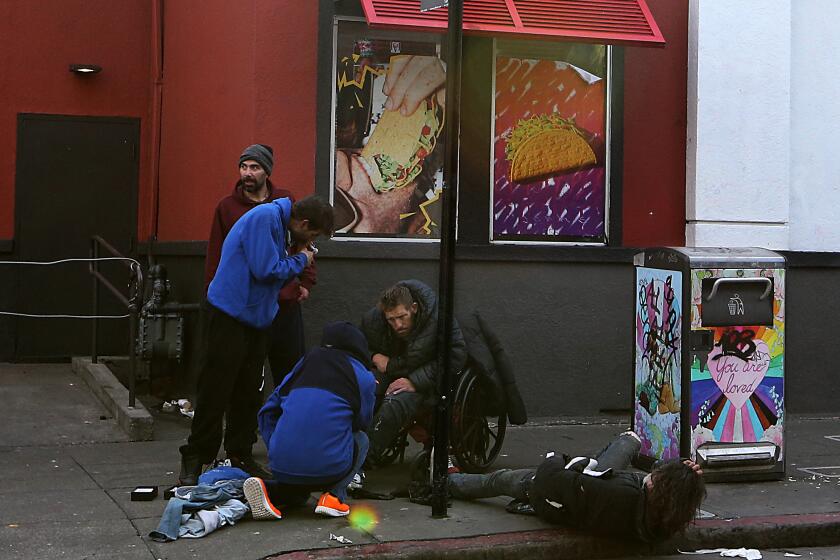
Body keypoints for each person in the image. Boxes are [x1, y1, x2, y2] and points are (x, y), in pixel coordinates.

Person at [178, 192, 334, 486]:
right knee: (215, 388)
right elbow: (267, 270)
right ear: (302, 222)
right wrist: (300, 258)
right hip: (228, 314)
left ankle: (240, 454)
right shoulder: (265, 218)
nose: (312, 242)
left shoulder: (281, 227)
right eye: (312, 234)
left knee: (248, 391)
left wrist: (296, 253)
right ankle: (196, 457)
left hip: (255, 319)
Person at [446, 432, 706, 543]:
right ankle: (593, 461)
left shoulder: (617, 495)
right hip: (596, 482)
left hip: (550, 492)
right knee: (629, 442)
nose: (653, 474)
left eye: (658, 477)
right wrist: (684, 471)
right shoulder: (666, 518)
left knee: (500, 480)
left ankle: (450, 482)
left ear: (658, 488)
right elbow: (665, 479)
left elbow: (555, 480)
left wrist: (555, 458)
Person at [204, 143, 317, 389]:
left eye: (254, 167)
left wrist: (306, 281)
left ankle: (285, 426)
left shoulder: (285, 202)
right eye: (243, 167)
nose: (247, 173)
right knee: (245, 377)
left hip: (284, 301)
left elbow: (304, 241)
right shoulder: (227, 207)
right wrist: (210, 292)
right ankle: (247, 425)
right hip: (246, 306)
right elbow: (216, 253)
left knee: (290, 373)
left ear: (267, 171)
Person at [242, 321, 377, 520]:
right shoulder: (363, 376)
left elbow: (267, 411)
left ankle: (269, 491)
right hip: (329, 467)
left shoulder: (304, 364)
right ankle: (334, 497)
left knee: (298, 495)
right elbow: (362, 423)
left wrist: (276, 446)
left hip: (282, 463)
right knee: (361, 440)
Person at [359, 280, 467, 470]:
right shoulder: (373, 320)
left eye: (402, 317)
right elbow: (356, 347)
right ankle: (346, 452)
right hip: (391, 372)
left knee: (396, 402)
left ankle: (361, 460)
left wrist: (415, 382)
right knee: (363, 393)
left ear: (414, 308)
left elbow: (455, 356)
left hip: (428, 380)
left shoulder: (440, 318)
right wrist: (374, 356)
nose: (398, 324)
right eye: (391, 319)